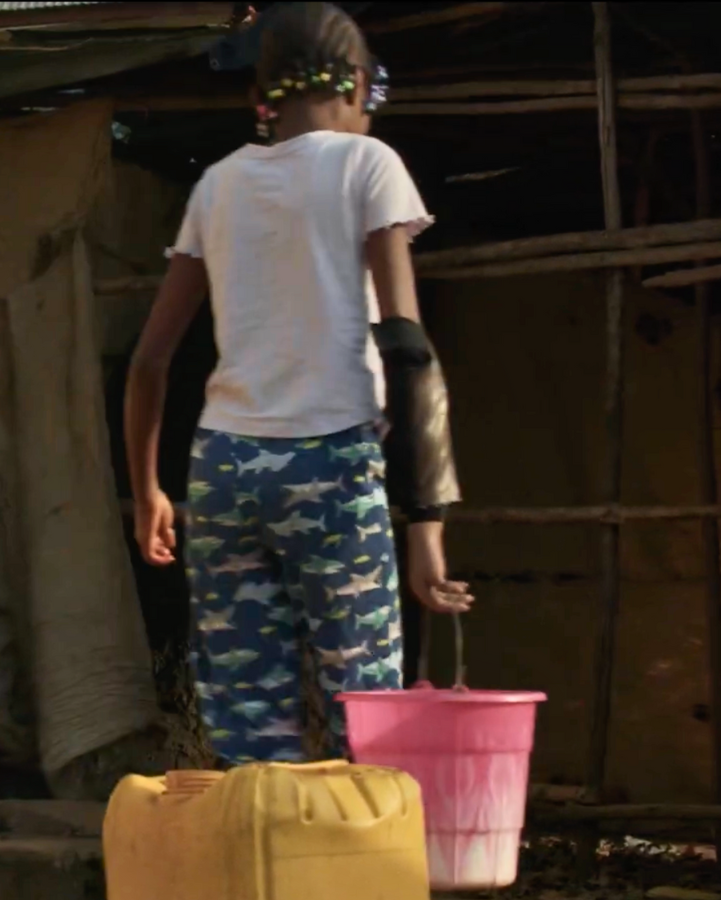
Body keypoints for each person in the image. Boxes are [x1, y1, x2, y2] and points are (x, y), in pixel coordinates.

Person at [123, 1, 472, 767]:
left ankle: (266, 877)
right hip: (333, 465)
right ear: (353, 82)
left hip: (223, 471)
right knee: (366, 715)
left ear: (266, 96)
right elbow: (407, 348)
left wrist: (149, 488)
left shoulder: (216, 185)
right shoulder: (367, 167)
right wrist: (426, 524)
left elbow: (151, 359)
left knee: (248, 724)